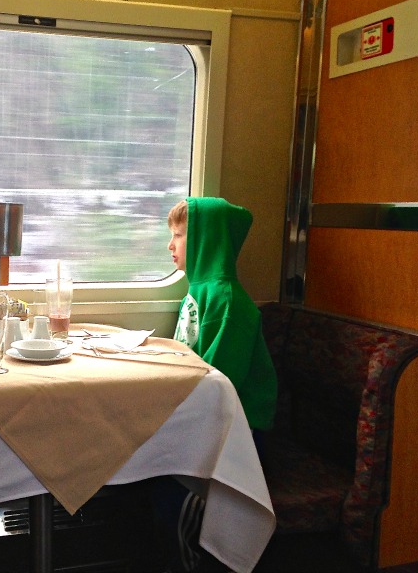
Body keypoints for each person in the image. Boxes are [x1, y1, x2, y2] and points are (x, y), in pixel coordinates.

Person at [153, 196, 277, 573]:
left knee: (170, 493)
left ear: (208, 241)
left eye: (178, 235)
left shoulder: (227, 301)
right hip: (210, 415)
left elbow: (220, 385)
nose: (170, 245)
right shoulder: (199, 292)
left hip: (240, 428)